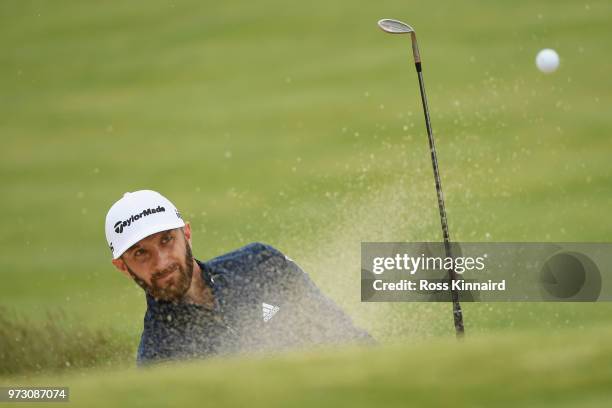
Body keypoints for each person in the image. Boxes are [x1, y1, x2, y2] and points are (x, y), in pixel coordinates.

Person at [105, 190, 374, 365]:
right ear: (122, 266)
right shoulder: (160, 359)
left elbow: (343, 333)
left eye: (167, 240)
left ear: (186, 234)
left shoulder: (260, 262)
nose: (162, 262)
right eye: (141, 253)